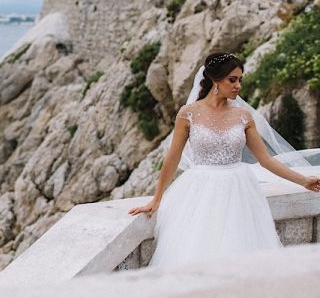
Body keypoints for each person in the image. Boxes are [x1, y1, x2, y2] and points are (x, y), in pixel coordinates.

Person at [128, 52, 320, 267]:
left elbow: (266, 160)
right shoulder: (188, 113)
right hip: (200, 192)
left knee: (240, 252)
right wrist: (156, 199)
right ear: (214, 79)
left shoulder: (243, 116)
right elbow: (172, 158)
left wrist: (304, 181)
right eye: (232, 79)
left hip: (238, 191)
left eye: (240, 80)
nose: (238, 85)